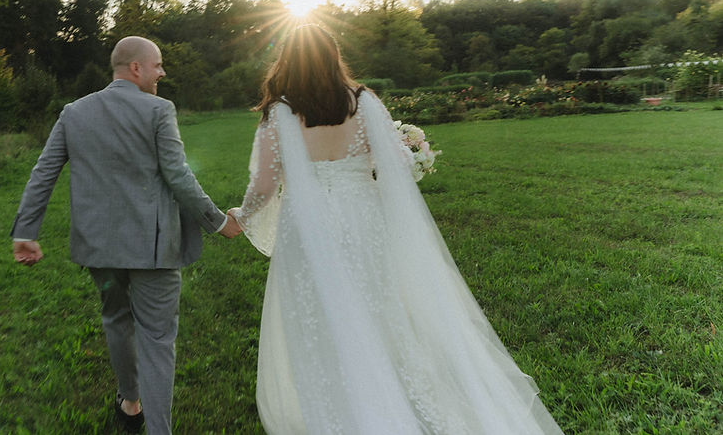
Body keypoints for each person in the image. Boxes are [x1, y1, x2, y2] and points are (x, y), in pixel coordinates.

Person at [227, 24, 563, 434]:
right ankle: (390, 396)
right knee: (378, 309)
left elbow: (265, 185)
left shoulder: (279, 113)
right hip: (363, 218)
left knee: (321, 317)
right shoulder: (363, 101)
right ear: (333, 57)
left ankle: (341, 410)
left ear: (286, 61)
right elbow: (396, 164)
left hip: (308, 229)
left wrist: (242, 216)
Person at [10, 36, 242, 435]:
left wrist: (25, 232)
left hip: (98, 248)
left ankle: (131, 404)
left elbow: (43, 171)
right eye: (158, 65)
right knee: (157, 338)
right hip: (154, 249)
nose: (162, 72)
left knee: (116, 320)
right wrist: (219, 222)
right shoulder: (159, 110)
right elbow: (178, 175)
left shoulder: (73, 112)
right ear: (136, 68)